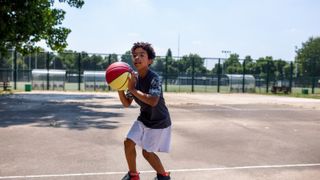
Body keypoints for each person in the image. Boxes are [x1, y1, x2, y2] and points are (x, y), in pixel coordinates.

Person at [118, 42, 172, 180]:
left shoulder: (154, 78)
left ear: (150, 60)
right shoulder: (133, 79)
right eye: (135, 55)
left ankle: (163, 176)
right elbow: (126, 103)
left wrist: (132, 89)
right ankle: (134, 175)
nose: (137, 58)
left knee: (147, 153)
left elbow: (153, 101)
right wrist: (119, 87)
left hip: (159, 120)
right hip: (144, 118)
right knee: (128, 142)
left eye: (142, 55)